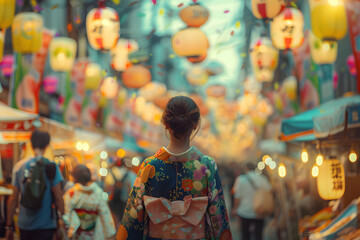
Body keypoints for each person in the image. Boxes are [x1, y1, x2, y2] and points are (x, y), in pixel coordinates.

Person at [117, 96, 232, 240]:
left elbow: (134, 215)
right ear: (196, 125)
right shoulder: (206, 166)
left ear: (164, 123)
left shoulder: (150, 165)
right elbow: (218, 218)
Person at [6, 130, 64, 240]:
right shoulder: (51, 166)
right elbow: (58, 196)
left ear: (30, 144)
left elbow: (13, 198)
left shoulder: (19, 167)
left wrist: (8, 226)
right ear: (47, 146)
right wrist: (62, 219)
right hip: (45, 224)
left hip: (24, 224)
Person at [63, 164, 116, 240]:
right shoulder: (97, 192)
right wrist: (110, 234)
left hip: (76, 234)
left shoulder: (71, 193)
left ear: (74, 177)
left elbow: (66, 215)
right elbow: (105, 215)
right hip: (93, 234)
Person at [231, 162, 272, 240]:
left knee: (245, 234)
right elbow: (269, 192)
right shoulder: (263, 179)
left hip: (244, 211)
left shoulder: (240, 179)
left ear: (246, 168)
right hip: (260, 210)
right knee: (258, 234)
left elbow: (237, 196)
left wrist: (235, 208)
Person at [104, 159, 136, 228]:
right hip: (125, 200)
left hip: (112, 199)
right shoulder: (130, 173)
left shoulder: (110, 173)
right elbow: (132, 188)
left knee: (114, 218)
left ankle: (115, 232)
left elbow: (106, 188)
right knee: (123, 219)